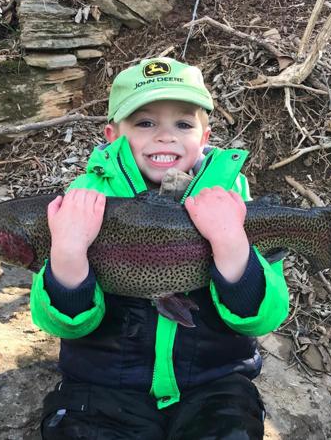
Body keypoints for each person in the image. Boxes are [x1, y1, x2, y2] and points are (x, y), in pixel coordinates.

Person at [30, 57, 289, 439]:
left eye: (183, 124)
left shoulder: (231, 198)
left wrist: (231, 244)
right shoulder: (84, 201)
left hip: (214, 385)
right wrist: (67, 254)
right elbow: (58, 322)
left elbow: (262, 319)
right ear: (112, 134)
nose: (165, 136)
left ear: (205, 137)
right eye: (145, 122)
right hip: (102, 386)